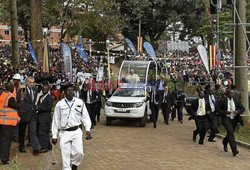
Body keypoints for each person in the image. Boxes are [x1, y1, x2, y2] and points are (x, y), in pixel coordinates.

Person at [51, 84, 92, 170]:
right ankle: (66, 168)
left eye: (71, 90)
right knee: (65, 154)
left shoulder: (79, 102)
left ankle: (75, 164)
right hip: (64, 132)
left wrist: (87, 129)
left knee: (79, 152)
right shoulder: (59, 104)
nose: (70, 92)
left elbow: (85, 116)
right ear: (64, 92)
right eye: (68, 90)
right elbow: (55, 120)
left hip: (76, 131)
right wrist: (54, 135)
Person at [16, 76, 42, 155]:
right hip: (23, 114)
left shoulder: (35, 90)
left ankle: (36, 148)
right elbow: (18, 101)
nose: (32, 84)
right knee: (22, 131)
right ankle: (21, 146)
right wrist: (18, 114)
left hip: (32, 114)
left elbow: (35, 101)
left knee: (33, 131)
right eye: (30, 82)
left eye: (33, 82)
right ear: (27, 83)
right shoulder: (22, 90)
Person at [217, 89, 245, 156]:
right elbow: (218, 109)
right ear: (227, 94)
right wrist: (225, 112)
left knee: (230, 133)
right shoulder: (222, 101)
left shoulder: (236, 100)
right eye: (230, 93)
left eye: (232, 93)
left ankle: (224, 142)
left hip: (234, 119)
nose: (231, 95)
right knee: (230, 132)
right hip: (226, 118)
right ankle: (234, 150)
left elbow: (243, 108)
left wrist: (237, 111)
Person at [0, 82, 22, 164]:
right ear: (12, 88)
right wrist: (22, 98)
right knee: (6, 141)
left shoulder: (2, 95)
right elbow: (18, 106)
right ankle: (4, 159)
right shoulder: (10, 97)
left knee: (2, 140)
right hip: (7, 122)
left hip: (2, 121)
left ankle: (2, 156)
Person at [37, 85, 53, 152]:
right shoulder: (40, 97)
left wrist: (40, 108)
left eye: (45, 89)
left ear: (48, 90)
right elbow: (37, 105)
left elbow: (49, 108)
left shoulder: (49, 97)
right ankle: (48, 145)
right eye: (43, 89)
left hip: (46, 117)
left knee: (42, 132)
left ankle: (44, 146)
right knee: (44, 132)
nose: (44, 90)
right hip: (40, 116)